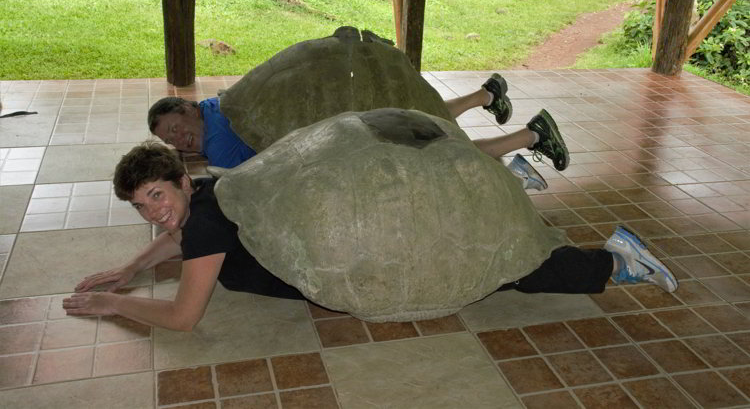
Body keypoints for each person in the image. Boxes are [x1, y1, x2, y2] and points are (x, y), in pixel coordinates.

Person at [62, 143, 676, 331]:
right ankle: (498, 184)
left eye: (158, 197)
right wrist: (130, 267)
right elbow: (175, 239)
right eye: (142, 207)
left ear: (179, 182)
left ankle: (612, 262)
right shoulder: (213, 187)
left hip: (351, 249)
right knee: (494, 257)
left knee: (506, 268)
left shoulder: (207, 228)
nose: (155, 214)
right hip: (330, 233)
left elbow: (183, 317)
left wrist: (111, 303)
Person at [148, 74, 564, 190]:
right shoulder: (221, 101)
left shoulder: (217, 141)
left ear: (187, 108)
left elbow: (242, 180)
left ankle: (530, 136)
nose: (178, 140)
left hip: (336, 141)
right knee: (418, 119)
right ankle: (485, 97)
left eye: (176, 129)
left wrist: (201, 158)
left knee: (434, 153)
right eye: (170, 141)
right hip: (334, 114)